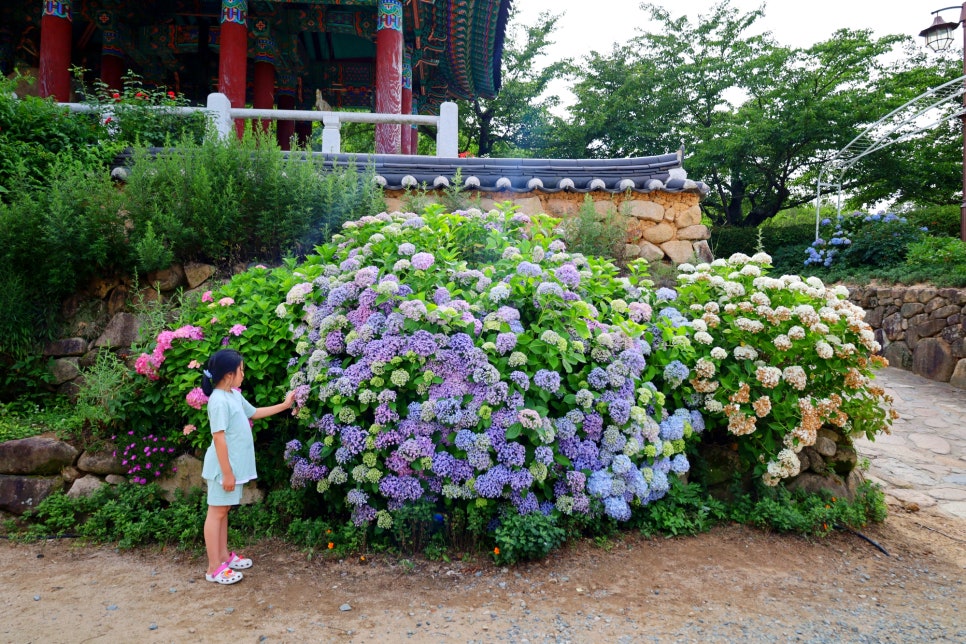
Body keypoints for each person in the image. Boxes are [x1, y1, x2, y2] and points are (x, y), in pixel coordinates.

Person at [199, 349, 294, 585]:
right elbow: (219, 438)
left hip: (229, 467)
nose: (244, 374)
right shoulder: (218, 401)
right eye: (242, 370)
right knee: (216, 512)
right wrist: (228, 472)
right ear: (229, 374)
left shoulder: (233, 395)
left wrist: (285, 405)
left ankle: (222, 557)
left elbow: (254, 413)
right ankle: (213, 568)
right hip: (223, 468)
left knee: (223, 511)